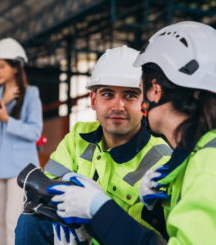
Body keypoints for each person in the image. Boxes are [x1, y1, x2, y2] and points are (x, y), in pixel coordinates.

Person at [48, 21, 216, 245]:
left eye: (135, 91)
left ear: (155, 90)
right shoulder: (195, 156)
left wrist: (101, 211)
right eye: (108, 94)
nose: (119, 106)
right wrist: (155, 211)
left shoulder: (208, 165)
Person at [15, 45, 172, 244]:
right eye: (107, 94)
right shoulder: (78, 136)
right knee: (31, 220)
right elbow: (45, 193)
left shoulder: (163, 160)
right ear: (93, 99)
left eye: (130, 95)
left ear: (145, 102)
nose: (118, 106)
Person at [0, 37, 43, 245]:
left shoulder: (31, 94)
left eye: (1, 66)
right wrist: (1, 104)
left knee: (13, 220)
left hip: (19, 168)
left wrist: (6, 119)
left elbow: (34, 132)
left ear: (15, 68)